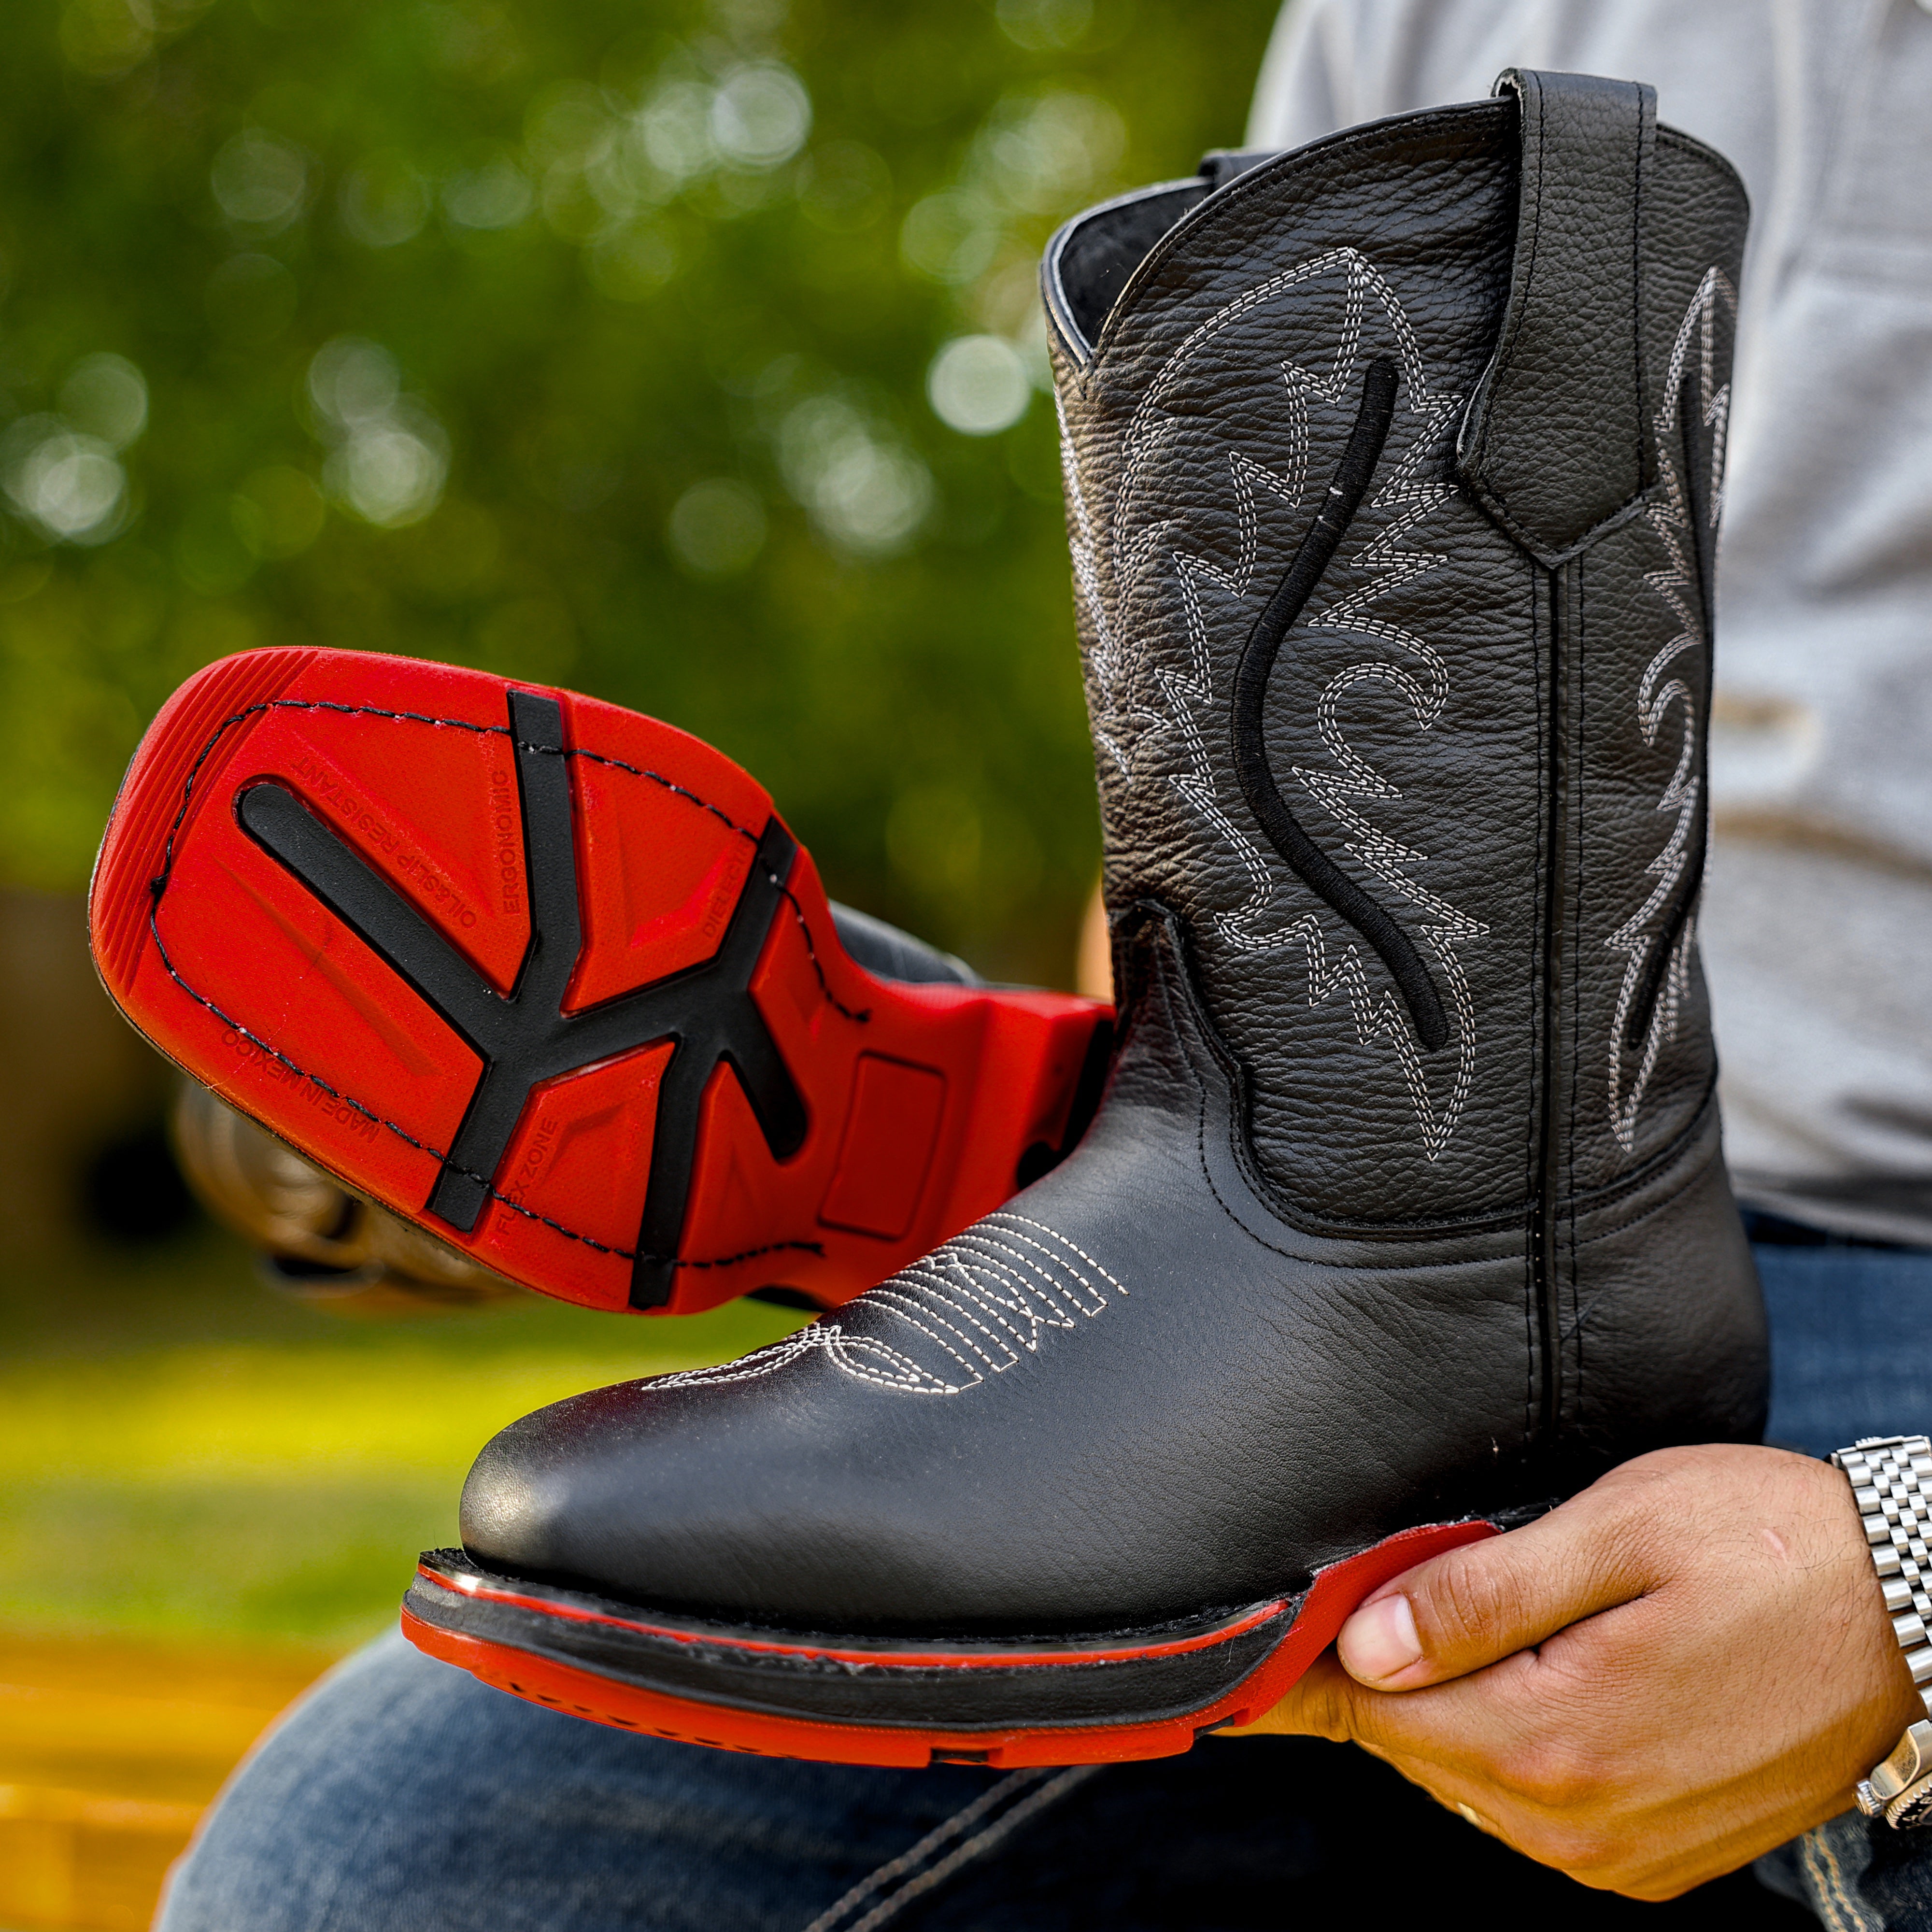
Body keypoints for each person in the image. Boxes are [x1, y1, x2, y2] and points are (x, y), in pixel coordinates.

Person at [156, 2, 1932, 1925]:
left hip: (1851, 1330)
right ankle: (1218, 1205)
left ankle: (1308, 1252)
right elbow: (1266, 739)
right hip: (1460, 1265)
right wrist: (1159, 1163)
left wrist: (1905, 1591)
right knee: (380, 1869)